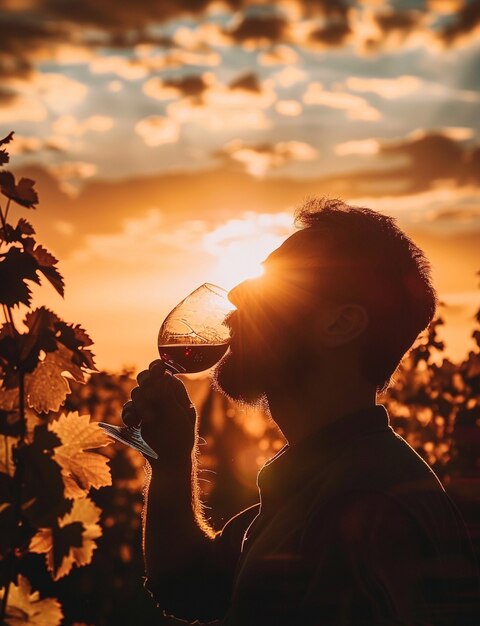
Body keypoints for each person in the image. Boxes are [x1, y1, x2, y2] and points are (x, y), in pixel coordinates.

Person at [123, 198, 480, 625]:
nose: (237, 292)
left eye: (275, 282)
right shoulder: (321, 476)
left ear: (340, 324)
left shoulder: (365, 508)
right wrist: (171, 461)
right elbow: (189, 586)